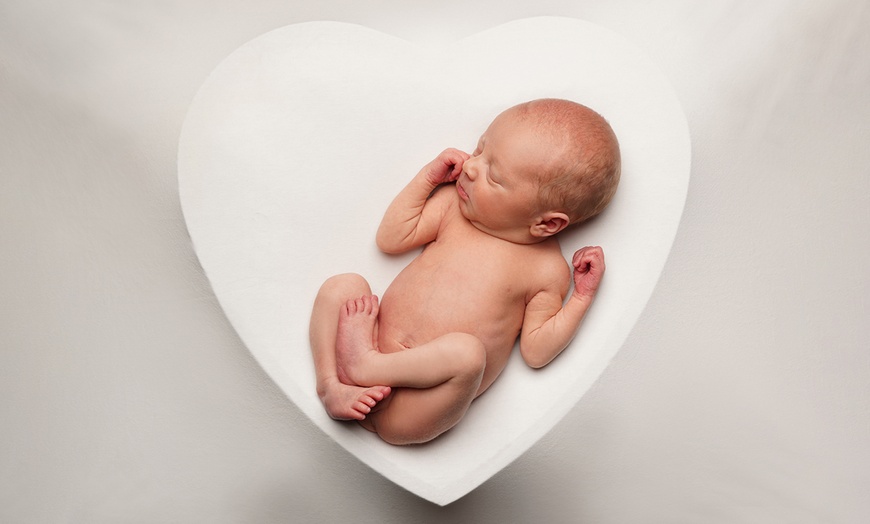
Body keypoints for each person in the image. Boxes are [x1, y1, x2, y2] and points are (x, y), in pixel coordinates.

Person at [308, 98, 620, 445]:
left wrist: (581, 296)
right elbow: (391, 238)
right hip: (365, 348)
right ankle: (331, 386)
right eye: (480, 149)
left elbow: (536, 350)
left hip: (415, 408)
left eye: (494, 176)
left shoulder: (546, 269)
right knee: (342, 286)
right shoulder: (454, 209)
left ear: (546, 223)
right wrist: (427, 179)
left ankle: (365, 366)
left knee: (468, 354)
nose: (471, 167)